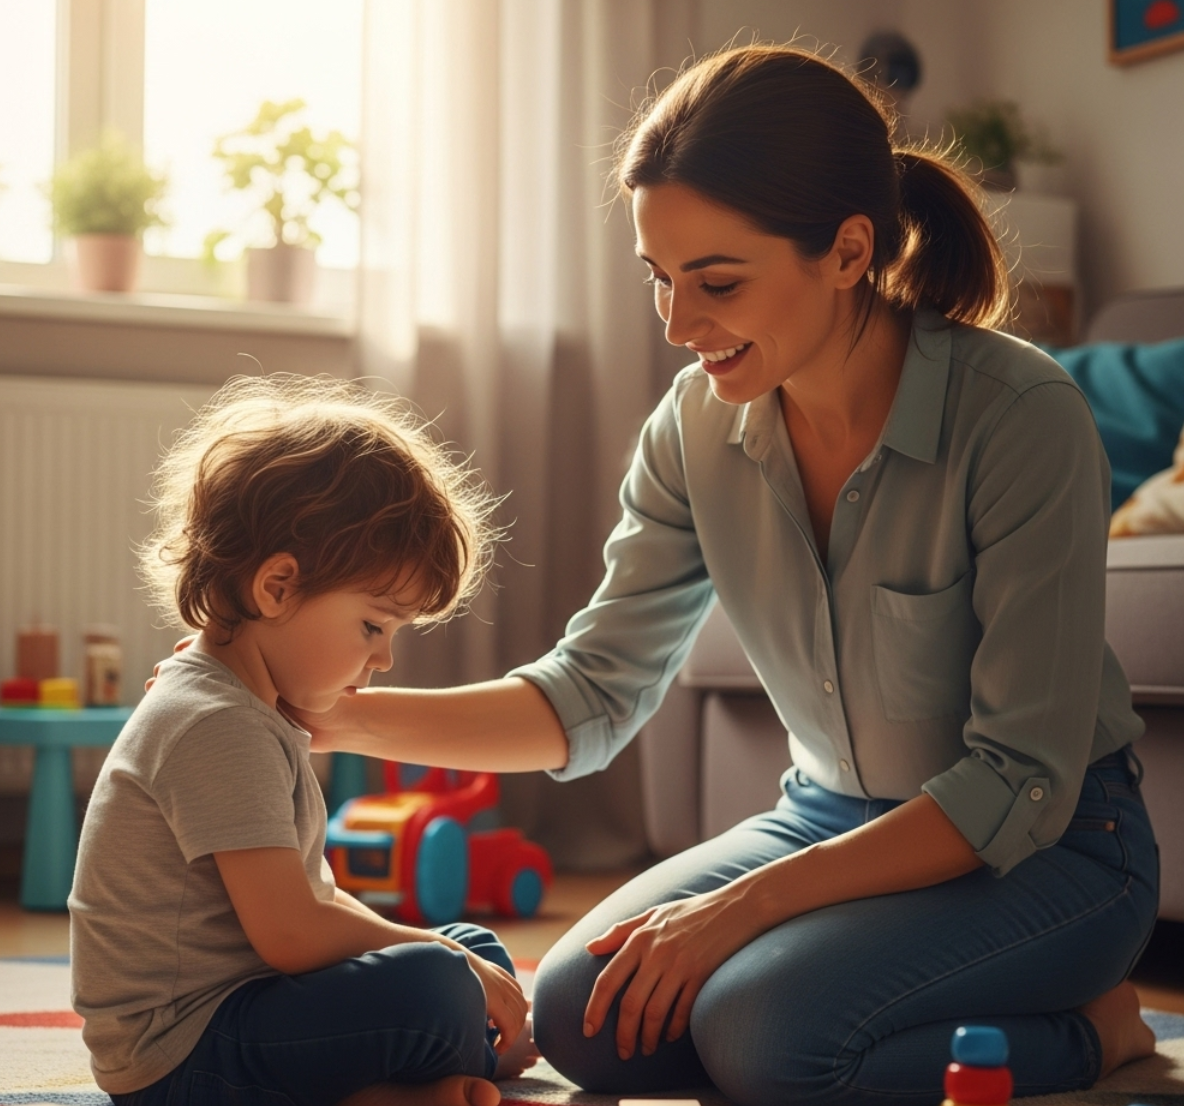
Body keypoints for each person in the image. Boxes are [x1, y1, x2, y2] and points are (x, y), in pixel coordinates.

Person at [235, 44, 1156, 1106]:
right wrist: (331, 717)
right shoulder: (694, 428)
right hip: (828, 817)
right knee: (582, 1015)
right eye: (659, 279)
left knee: (767, 1037)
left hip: (1050, 850)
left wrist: (738, 910)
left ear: (848, 251)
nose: (676, 325)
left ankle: (1091, 1031)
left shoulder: (1018, 416)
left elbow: (1016, 778)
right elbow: (591, 693)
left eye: (716, 283)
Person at [70, 375, 537, 1106]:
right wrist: (440, 959)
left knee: (471, 951)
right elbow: (292, 933)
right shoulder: (216, 723)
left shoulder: (247, 704)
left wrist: (450, 954)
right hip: (180, 1056)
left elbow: (311, 903)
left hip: (249, 1001)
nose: (384, 659)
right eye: (373, 626)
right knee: (442, 979)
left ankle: (418, 1070)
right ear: (278, 588)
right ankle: (397, 1083)